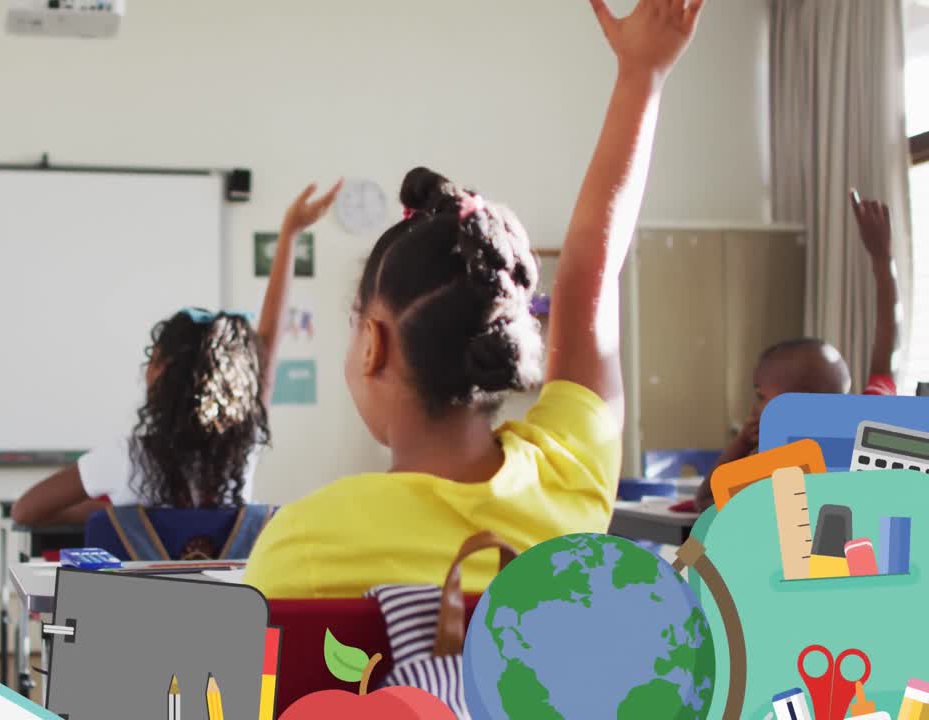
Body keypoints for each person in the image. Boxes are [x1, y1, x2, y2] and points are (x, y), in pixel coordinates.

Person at [242, 0, 705, 598]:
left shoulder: (302, 545)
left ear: (373, 346)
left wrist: (640, 73)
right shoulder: (569, 480)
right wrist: (644, 75)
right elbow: (592, 276)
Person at [9, 181, 342, 526]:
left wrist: (115, 514)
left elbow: (26, 510)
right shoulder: (241, 452)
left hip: (144, 584)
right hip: (228, 583)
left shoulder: (127, 458)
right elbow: (269, 343)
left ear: (160, 371)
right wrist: (289, 234)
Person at [689, 191, 902, 511]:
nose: (756, 406)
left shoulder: (781, 464)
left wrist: (743, 441)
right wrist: (882, 259)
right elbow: (888, 344)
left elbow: (705, 502)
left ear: (786, 405)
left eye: (761, 396)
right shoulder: (872, 426)